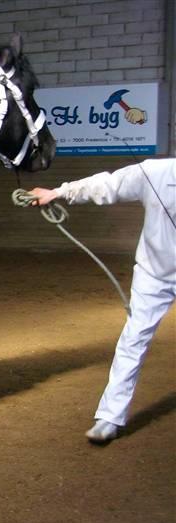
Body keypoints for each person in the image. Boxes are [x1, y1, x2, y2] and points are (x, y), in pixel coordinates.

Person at [27, 158, 175, 443]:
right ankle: (109, 418)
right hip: (153, 275)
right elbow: (107, 183)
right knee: (133, 340)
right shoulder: (154, 172)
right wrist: (57, 193)